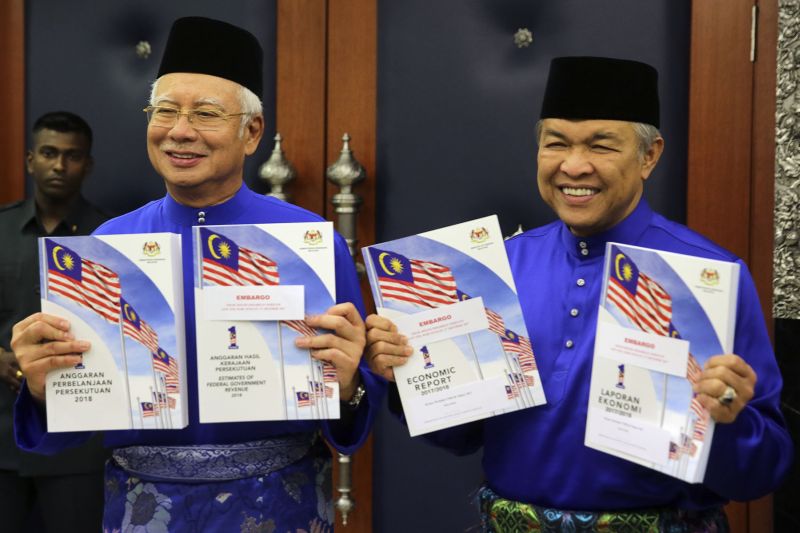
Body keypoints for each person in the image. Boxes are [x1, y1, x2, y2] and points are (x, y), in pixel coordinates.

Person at [365, 57, 792, 531]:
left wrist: (729, 422)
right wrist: (408, 376)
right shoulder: (497, 270)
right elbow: (460, 436)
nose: (573, 166)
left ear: (649, 156)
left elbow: (764, 470)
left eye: (601, 146)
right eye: (556, 144)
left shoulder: (710, 277)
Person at [11, 17, 383, 532]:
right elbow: (68, 425)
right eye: (164, 111)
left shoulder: (309, 241)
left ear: (251, 132)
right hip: (143, 509)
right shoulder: (109, 245)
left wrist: (347, 386)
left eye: (205, 114)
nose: (179, 131)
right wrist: (39, 385)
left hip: (279, 505)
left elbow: (356, 403)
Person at [0, 111, 110, 532]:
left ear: (88, 164)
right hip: (1, 433)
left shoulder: (108, 237)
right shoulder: (1, 228)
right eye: (49, 153)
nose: (60, 166)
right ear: (30, 160)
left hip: (76, 443)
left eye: (72, 155)